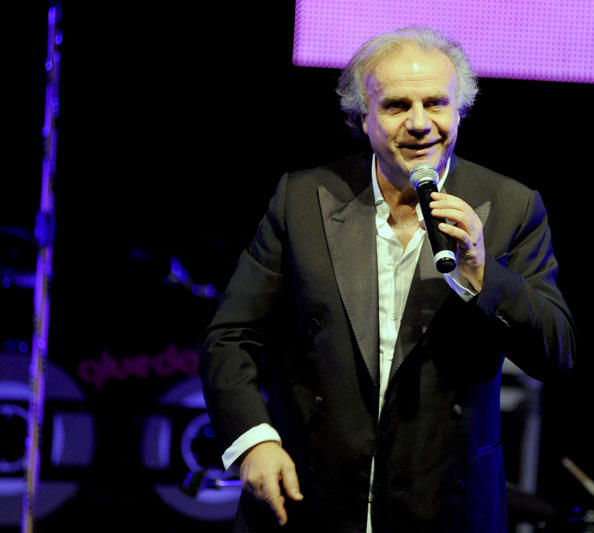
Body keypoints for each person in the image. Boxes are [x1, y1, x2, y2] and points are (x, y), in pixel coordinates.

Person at [200, 26, 575, 533]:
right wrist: (254, 441)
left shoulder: (513, 206)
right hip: (312, 501)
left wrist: (483, 273)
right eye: (397, 106)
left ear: (460, 110)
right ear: (362, 117)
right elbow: (231, 336)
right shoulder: (302, 199)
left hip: (447, 508)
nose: (420, 124)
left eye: (436, 103)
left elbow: (555, 352)